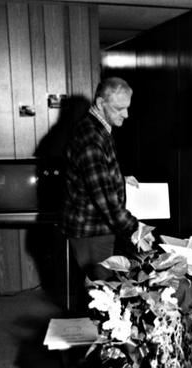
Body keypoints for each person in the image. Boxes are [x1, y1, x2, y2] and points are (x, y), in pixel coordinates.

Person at [62, 77, 148, 281]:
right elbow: (106, 201)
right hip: (92, 231)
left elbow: (94, 174)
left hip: (93, 227)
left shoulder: (96, 128)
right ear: (101, 104)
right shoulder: (92, 138)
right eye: (119, 108)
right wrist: (137, 229)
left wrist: (119, 179)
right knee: (102, 292)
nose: (126, 115)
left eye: (127, 108)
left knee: (100, 291)